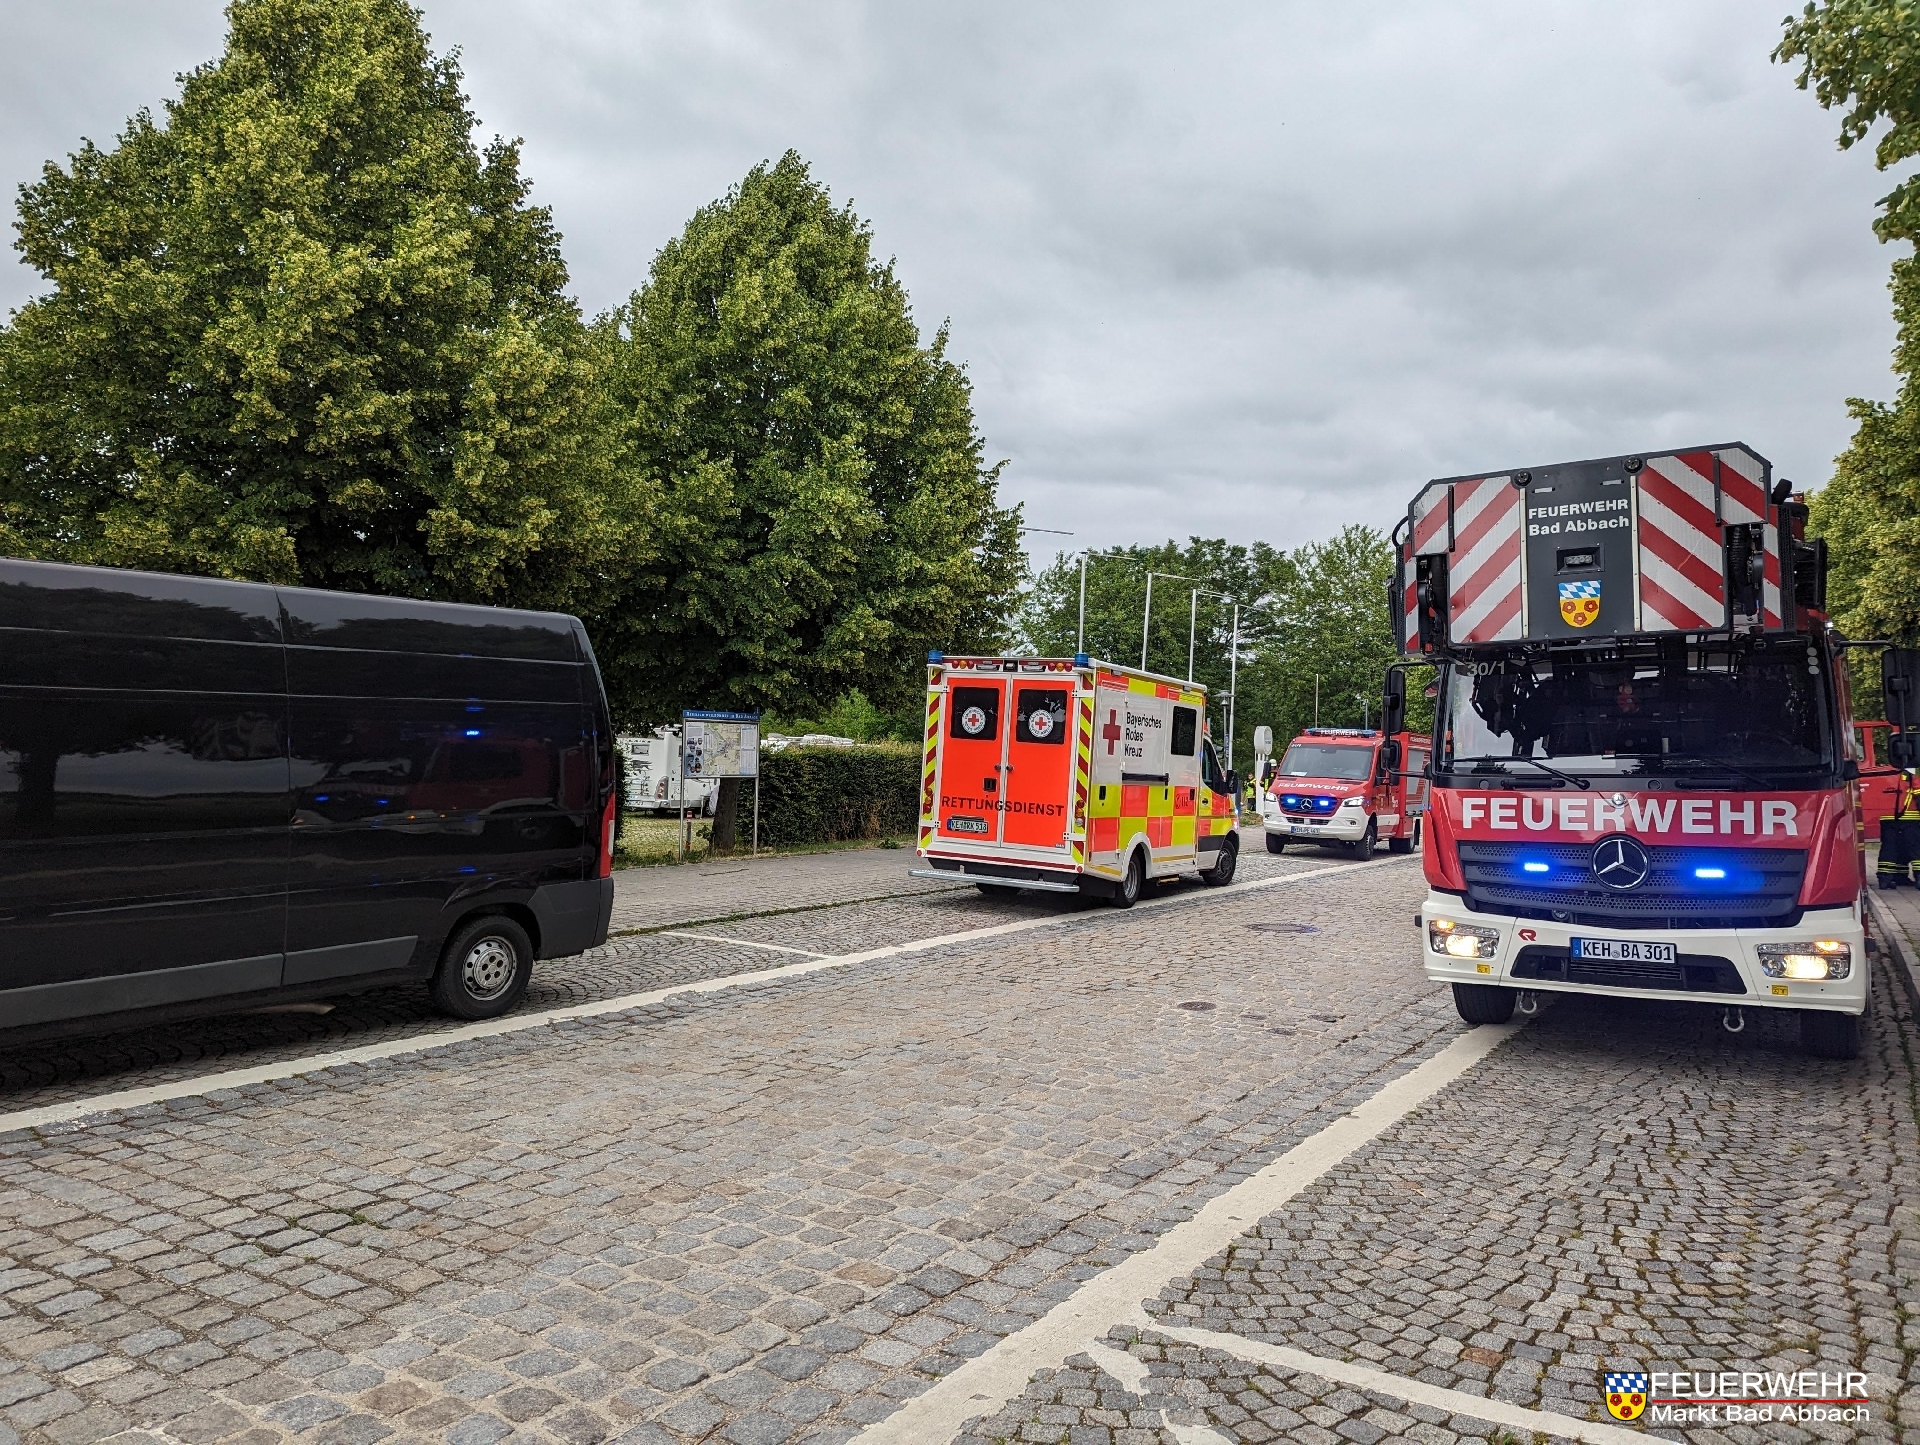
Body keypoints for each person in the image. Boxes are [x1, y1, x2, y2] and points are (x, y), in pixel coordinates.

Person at [1879, 773, 1920, 888]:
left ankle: (1885, 879)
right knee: (1915, 848)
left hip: (1887, 818)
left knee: (1890, 848)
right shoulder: (1911, 778)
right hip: (1910, 819)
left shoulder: (1883, 778)